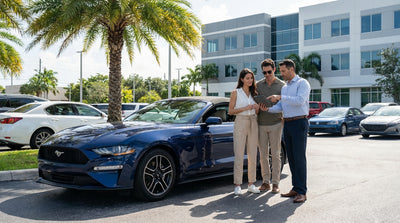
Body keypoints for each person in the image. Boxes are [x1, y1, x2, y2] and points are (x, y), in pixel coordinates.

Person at [261, 59, 310, 203]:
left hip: (299, 122)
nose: (281, 74)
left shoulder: (303, 83)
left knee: (299, 158)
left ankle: (302, 192)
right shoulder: (285, 87)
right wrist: (267, 109)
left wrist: (281, 97)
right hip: (287, 124)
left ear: (291, 70)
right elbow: (280, 107)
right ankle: (296, 187)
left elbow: (300, 100)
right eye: (281, 71)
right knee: (292, 158)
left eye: (283, 71)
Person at [228, 68, 260, 195]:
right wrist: (245, 108)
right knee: (239, 153)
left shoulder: (255, 93)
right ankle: (237, 185)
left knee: (252, 154)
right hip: (240, 121)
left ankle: (251, 184)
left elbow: (257, 112)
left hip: (253, 121)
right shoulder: (235, 92)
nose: (250, 80)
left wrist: (257, 108)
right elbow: (230, 111)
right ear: (242, 79)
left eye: (251, 78)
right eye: (247, 78)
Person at [256, 59, 285, 193]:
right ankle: (265, 182)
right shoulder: (258, 85)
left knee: (275, 154)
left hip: (276, 123)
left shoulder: (282, 85)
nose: (266, 74)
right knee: (263, 155)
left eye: (269, 72)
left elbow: (285, 104)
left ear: (274, 70)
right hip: (261, 124)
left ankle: (275, 183)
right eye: (264, 72)